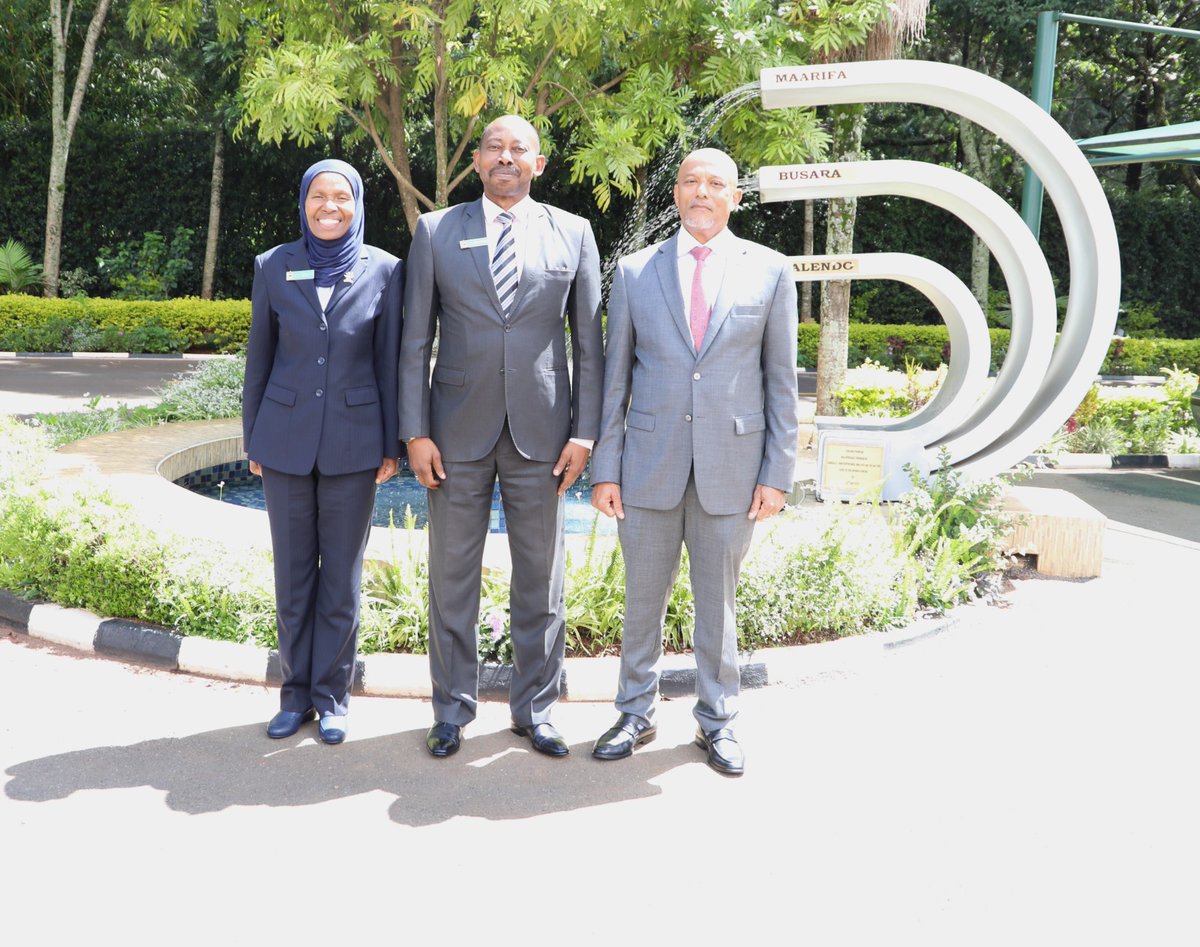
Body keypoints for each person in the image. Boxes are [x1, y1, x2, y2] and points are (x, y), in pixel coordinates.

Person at [589, 148, 799, 776]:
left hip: (733, 470)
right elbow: (614, 381)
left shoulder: (769, 271)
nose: (701, 192)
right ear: (674, 194)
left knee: (719, 605)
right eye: (690, 182)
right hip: (647, 466)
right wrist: (606, 468)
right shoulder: (632, 272)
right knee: (641, 602)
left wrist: (777, 473)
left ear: (737, 197)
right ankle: (634, 712)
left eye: (716, 184)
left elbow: (781, 381)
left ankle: (718, 721)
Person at [400, 115, 604, 759]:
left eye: (519, 149)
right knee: (452, 575)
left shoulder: (574, 232)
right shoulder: (436, 231)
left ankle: (537, 710)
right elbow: (414, 341)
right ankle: (451, 710)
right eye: (494, 148)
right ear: (478, 162)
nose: (505, 157)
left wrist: (586, 434)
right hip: (454, 433)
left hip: (544, 435)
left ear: (538, 164)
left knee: (541, 578)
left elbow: (589, 349)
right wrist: (414, 432)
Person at [243, 158, 403, 746]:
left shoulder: (385, 268)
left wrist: (391, 444)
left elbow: (389, 363)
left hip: (355, 445)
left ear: (358, 204)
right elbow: (258, 358)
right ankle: (293, 696)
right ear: (304, 201)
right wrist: (253, 436)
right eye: (318, 196)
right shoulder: (273, 265)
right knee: (292, 578)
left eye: (341, 197)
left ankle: (332, 698)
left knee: (341, 577)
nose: (329, 207)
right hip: (283, 442)